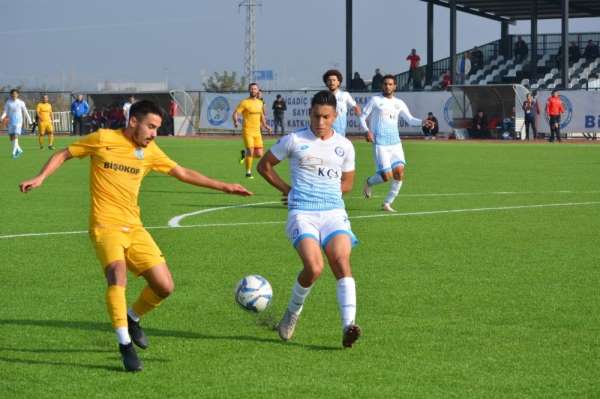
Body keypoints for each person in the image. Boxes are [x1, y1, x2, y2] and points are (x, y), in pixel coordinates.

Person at [19, 100, 252, 372]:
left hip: (135, 227)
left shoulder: (150, 150)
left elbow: (182, 172)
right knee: (117, 275)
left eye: (157, 128)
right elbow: (64, 153)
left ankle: (132, 318)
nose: (154, 134)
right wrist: (41, 177)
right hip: (105, 226)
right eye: (151, 127)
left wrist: (224, 186)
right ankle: (125, 345)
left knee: (164, 286)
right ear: (133, 122)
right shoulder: (103, 139)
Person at [256, 90, 361, 348]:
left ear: (335, 115)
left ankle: (349, 326)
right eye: (316, 116)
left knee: (340, 261)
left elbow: (347, 183)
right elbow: (264, 166)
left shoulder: (345, 146)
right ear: (309, 114)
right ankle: (292, 313)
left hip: (334, 213)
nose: (320, 122)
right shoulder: (294, 140)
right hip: (302, 212)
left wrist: (329, 190)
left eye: (326, 116)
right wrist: (287, 190)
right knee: (314, 268)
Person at [360, 75, 434, 212]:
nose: (388, 86)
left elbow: (410, 120)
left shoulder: (399, 103)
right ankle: (369, 182)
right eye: (385, 84)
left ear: (395, 86)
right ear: (382, 86)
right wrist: (366, 131)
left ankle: (387, 203)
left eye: (390, 84)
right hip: (380, 144)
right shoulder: (375, 100)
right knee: (386, 176)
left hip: (395, 144)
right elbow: (362, 117)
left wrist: (423, 122)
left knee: (399, 173)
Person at [233, 82, 272, 178]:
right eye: (251, 89)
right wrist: (235, 121)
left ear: (258, 90)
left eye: (255, 89)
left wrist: (266, 125)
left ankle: (244, 155)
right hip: (247, 131)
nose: (253, 90)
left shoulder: (260, 103)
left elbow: (261, 115)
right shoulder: (244, 102)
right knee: (250, 150)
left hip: (257, 132)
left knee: (259, 154)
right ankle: (248, 172)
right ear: (249, 90)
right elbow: (235, 113)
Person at [323, 69, 361, 137]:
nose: (332, 82)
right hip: (326, 130)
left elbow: (355, 106)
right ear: (326, 82)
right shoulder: (323, 96)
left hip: (340, 131)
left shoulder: (345, 95)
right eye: (329, 80)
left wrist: (362, 120)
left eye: (334, 80)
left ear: (338, 82)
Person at [1, 89, 32, 159]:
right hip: (11, 121)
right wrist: (1, 117)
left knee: (15, 135)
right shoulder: (8, 102)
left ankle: (14, 152)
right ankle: (19, 150)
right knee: (11, 137)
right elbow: (5, 111)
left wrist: (30, 121)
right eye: (13, 94)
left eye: (15, 94)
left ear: (17, 94)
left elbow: (26, 112)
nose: (14, 95)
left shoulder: (21, 102)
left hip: (18, 121)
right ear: (11, 95)